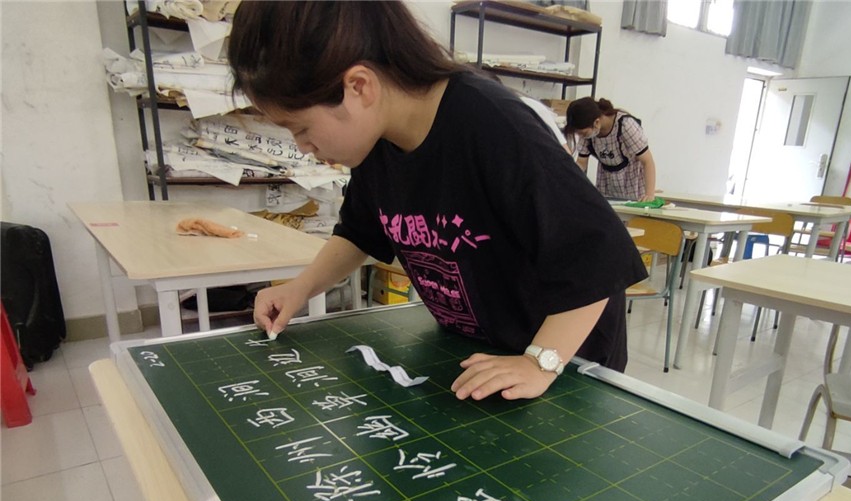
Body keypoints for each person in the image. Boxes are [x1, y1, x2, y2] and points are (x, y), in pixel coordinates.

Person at [229, 1, 647, 401]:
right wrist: (300, 289)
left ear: (359, 87)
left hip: (563, 361)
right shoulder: (377, 143)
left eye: (301, 129)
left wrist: (540, 361)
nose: (303, 147)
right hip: (482, 352)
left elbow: (597, 252)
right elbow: (359, 232)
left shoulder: (491, 124)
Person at [564, 97, 657, 202]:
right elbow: (581, 163)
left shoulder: (625, 125)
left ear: (597, 122)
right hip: (606, 184)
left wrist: (649, 194)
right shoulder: (588, 133)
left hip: (632, 185)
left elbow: (647, 161)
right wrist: (567, 181)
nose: (582, 136)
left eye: (583, 133)